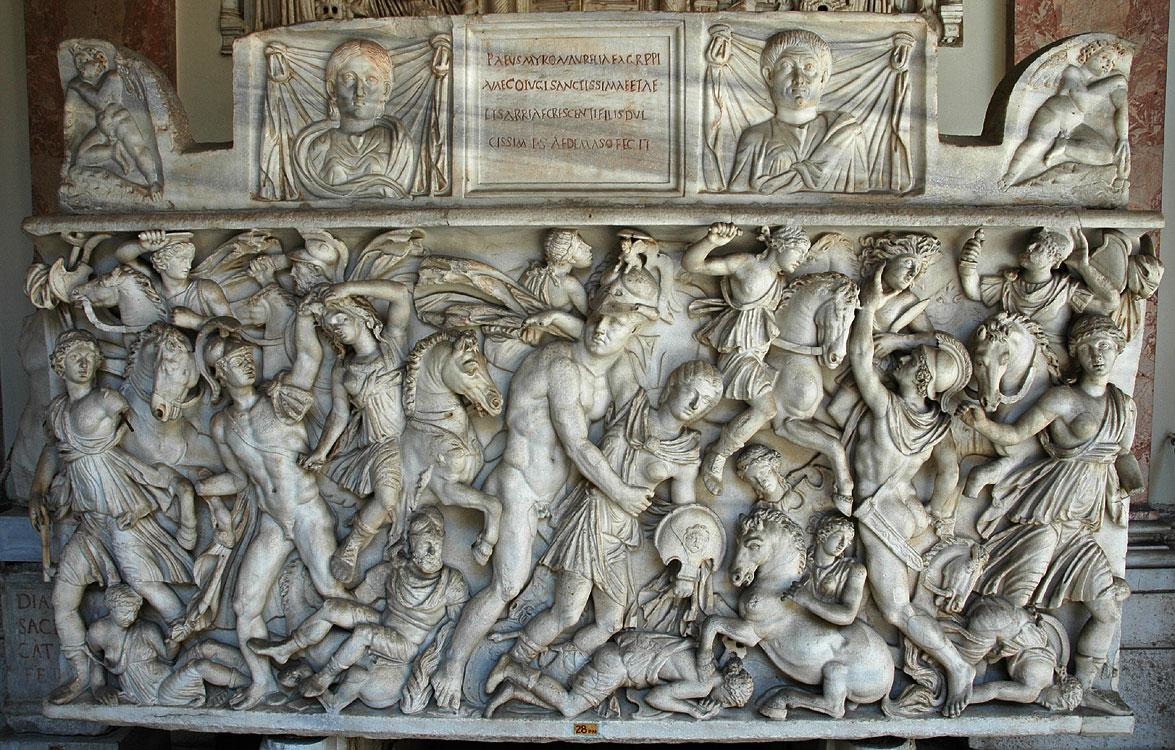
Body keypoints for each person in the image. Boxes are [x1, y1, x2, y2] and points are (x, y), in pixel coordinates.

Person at [429, 258, 662, 710]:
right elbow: (576, 444)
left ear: (634, 330)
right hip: (519, 484)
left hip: (562, 497)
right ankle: (451, 664)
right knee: (507, 585)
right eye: (598, 319)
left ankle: (550, 668)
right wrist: (621, 492)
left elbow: (637, 427)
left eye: (617, 325)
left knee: (588, 595)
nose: (602, 330)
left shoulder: (613, 372)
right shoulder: (561, 365)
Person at [959, 314, 1139, 710]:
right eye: (1089, 348)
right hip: (1047, 519)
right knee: (1011, 605)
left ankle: (1083, 686)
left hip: (1081, 529)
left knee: (1107, 611)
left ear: (1117, 350)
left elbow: (1123, 453)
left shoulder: (1124, 406)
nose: (1098, 355)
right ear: (1076, 353)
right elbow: (1015, 434)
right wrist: (982, 424)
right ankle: (963, 672)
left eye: (1106, 347)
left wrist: (1132, 483)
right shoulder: (1062, 399)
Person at [498, 360, 723, 670]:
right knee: (567, 613)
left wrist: (687, 571)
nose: (696, 405)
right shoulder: (631, 406)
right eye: (693, 392)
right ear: (673, 384)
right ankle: (512, 661)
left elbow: (684, 516)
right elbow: (612, 357)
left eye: (707, 402)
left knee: (611, 623)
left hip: (620, 535)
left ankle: (557, 670)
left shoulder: (686, 454)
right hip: (591, 521)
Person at [193, 311, 350, 710]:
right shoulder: (222, 425)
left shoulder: (280, 398)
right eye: (237, 361)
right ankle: (262, 683)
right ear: (219, 373)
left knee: (331, 590)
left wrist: (306, 319)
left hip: (306, 511)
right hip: (272, 522)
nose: (247, 364)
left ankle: (358, 660)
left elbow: (309, 359)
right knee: (245, 604)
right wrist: (203, 489)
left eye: (248, 357)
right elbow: (238, 479)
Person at [30, 330, 196, 705]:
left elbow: (146, 435)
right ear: (60, 365)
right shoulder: (57, 412)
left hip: (121, 516)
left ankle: (187, 647)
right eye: (75, 357)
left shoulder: (109, 400)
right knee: (63, 600)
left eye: (89, 356)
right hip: (89, 524)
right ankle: (83, 675)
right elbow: (54, 452)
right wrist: (37, 492)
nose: (84, 363)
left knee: (148, 585)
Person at [847, 268, 977, 717]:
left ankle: (957, 665)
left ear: (920, 379)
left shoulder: (886, 407)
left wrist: (869, 307)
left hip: (878, 513)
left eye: (909, 359)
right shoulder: (936, 426)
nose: (900, 360)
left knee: (897, 610)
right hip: (905, 509)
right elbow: (949, 472)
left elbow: (860, 356)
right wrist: (938, 517)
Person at [250, 507, 469, 712]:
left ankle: (324, 677)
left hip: (407, 644)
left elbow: (459, 629)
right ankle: (287, 648)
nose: (432, 549)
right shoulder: (394, 571)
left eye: (437, 541)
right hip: (383, 620)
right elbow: (357, 598)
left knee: (364, 633)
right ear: (410, 545)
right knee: (333, 607)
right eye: (425, 543)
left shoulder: (452, 583)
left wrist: (435, 661)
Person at [684, 222, 816, 494]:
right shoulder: (746, 264)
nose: (801, 259)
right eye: (798, 251)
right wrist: (711, 241)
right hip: (739, 352)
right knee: (766, 409)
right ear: (779, 244)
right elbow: (693, 265)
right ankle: (717, 456)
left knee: (772, 407)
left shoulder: (780, 282)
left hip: (759, 354)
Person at [300, 279, 413, 583]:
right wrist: (320, 452)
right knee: (386, 499)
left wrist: (350, 289)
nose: (335, 327)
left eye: (340, 318)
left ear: (361, 315)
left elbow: (401, 294)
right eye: (329, 326)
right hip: (379, 444)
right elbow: (339, 415)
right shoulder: (343, 371)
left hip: (410, 436)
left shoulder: (392, 345)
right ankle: (350, 548)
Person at [485, 630, 754, 720]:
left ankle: (516, 690)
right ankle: (511, 668)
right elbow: (655, 698)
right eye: (728, 703)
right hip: (616, 667)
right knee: (570, 707)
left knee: (570, 705)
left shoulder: (707, 661)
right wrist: (693, 710)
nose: (721, 705)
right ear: (727, 691)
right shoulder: (703, 685)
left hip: (620, 655)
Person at [728, 29, 866, 194]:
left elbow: (861, 199)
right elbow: (735, 199)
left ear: (823, 78)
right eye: (786, 66)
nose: (799, 78)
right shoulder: (754, 139)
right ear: (769, 75)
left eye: (809, 67)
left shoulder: (847, 133)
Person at [958, 228, 1118, 362]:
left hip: (1053, 361)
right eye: (1031, 243)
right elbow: (974, 291)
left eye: (1039, 247)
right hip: (1012, 358)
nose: (1029, 248)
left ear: (1054, 260)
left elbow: (1109, 303)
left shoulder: (1065, 289)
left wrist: (1084, 267)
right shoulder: (1009, 284)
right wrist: (968, 263)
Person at [85, 585, 249, 707]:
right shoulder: (98, 632)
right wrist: (99, 687)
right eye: (125, 612)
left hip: (167, 676)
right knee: (199, 667)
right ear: (111, 607)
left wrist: (173, 642)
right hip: (158, 694)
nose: (131, 617)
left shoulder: (146, 629)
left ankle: (253, 672)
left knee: (207, 647)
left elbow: (168, 656)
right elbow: (94, 657)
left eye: (134, 612)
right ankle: (246, 683)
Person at [1000, 39, 1131, 190]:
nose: (1108, 65)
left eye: (1112, 63)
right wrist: (1116, 81)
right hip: (1054, 115)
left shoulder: (1102, 80)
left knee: (1106, 155)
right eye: (1105, 58)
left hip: (1075, 125)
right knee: (1037, 142)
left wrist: (1123, 137)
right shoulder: (1072, 71)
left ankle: (1064, 147)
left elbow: (1121, 105)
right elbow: (1082, 102)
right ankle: (1009, 177)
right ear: (1088, 55)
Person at [293, 38, 415, 199]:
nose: (359, 91)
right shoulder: (316, 146)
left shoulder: (398, 145)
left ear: (386, 90)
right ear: (332, 88)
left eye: (370, 79)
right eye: (349, 78)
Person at [63, 43, 162, 193]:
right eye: (77, 65)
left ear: (98, 61)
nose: (80, 67)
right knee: (81, 158)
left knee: (137, 149)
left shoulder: (113, 77)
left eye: (83, 61)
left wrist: (78, 85)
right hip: (102, 129)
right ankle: (112, 151)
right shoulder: (89, 83)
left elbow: (100, 101)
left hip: (119, 122)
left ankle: (153, 182)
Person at [116, 231, 234, 329]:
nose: (188, 265)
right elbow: (123, 257)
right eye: (182, 259)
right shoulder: (154, 286)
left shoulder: (205, 289)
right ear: (163, 262)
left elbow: (232, 325)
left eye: (189, 260)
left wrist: (195, 322)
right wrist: (141, 247)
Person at [794, 514, 867, 627]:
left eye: (847, 540)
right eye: (839, 537)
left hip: (831, 632)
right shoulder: (800, 562)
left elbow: (848, 615)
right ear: (823, 535)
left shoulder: (854, 570)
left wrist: (808, 601)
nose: (842, 544)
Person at [733, 444, 800, 510]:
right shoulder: (759, 514)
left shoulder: (802, 486)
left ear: (775, 466)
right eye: (753, 479)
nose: (761, 482)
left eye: (763, 473)